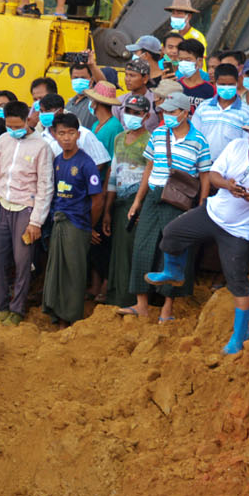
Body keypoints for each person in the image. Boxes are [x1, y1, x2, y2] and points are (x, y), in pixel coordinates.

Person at [147, 118, 249, 350]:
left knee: (237, 280)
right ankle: (174, 271)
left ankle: (240, 333)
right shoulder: (236, 146)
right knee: (172, 233)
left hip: (240, 229)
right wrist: (227, 185)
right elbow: (213, 174)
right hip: (213, 212)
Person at [123, 94, 211, 322]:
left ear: (184, 113)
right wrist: (137, 201)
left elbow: (205, 175)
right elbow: (149, 168)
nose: (168, 116)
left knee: (174, 251)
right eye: (166, 112)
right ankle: (142, 304)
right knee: (143, 245)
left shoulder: (199, 140)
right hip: (154, 195)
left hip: (179, 201)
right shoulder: (159, 134)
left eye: (172, 112)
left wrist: (201, 205)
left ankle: (167, 309)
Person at [0, 100, 54, 324]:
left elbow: (45, 185)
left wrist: (36, 221)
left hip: (26, 208)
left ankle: (17, 309)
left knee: (22, 260)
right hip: (3, 206)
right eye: (9, 126)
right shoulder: (2, 142)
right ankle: (1, 307)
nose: (13, 131)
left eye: (18, 126)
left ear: (28, 120)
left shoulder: (41, 147)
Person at [42, 113, 106, 325]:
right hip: (58, 221)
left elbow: (97, 200)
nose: (66, 137)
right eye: (62, 133)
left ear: (78, 135)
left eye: (71, 133)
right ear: (54, 135)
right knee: (57, 268)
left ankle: (70, 316)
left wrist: (88, 227)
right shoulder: (58, 160)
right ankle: (55, 311)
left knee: (74, 271)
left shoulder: (87, 163)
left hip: (77, 224)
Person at [105, 95, 153, 308]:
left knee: (134, 249)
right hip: (120, 201)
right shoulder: (119, 138)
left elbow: (148, 175)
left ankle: (133, 300)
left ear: (146, 116)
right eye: (129, 112)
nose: (131, 116)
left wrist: (140, 202)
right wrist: (107, 209)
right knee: (118, 251)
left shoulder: (150, 140)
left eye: (137, 113)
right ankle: (117, 297)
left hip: (138, 201)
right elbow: (114, 175)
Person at [191, 64, 249, 154]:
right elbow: (194, 136)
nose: (227, 87)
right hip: (204, 163)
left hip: (231, 165)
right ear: (216, 83)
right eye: (223, 84)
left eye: (231, 84)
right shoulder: (203, 107)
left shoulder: (246, 113)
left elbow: (247, 144)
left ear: (237, 83)